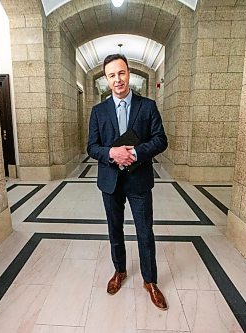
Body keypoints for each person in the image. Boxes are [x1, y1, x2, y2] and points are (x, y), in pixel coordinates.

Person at [87, 54, 168, 310]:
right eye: (111, 75)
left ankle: (150, 281)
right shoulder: (98, 111)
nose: (117, 79)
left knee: (145, 232)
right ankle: (119, 271)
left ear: (128, 74)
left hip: (139, 180)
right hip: (110, 181)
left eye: (121, 73)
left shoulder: (148, 106)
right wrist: (111, 153)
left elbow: (160, 140)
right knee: (115, 230)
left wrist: (134, 153)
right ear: (107, 79)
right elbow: (92, 146)